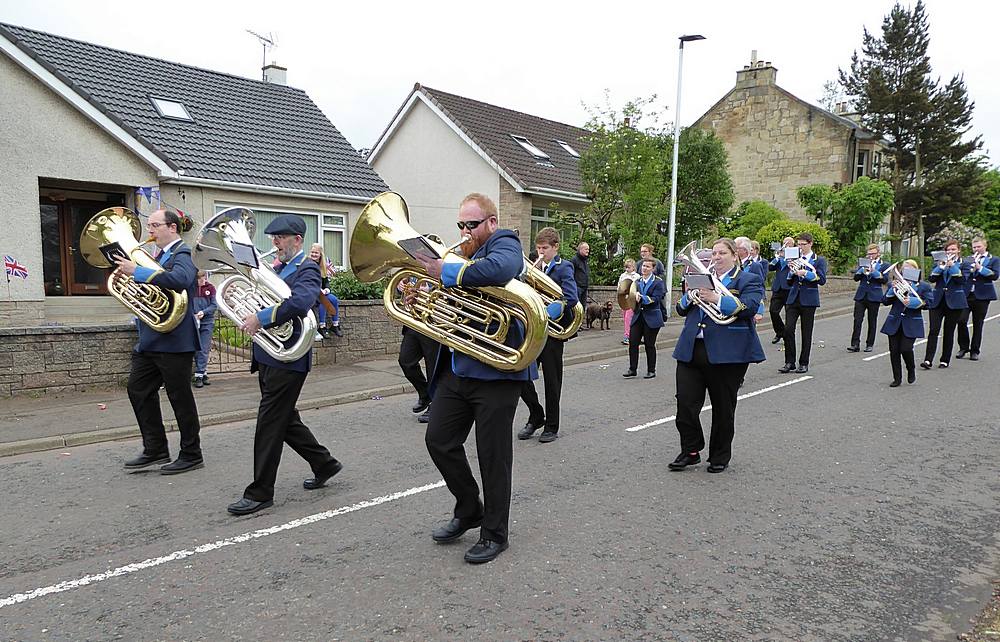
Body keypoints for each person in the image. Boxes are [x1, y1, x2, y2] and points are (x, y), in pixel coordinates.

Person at [413, 193, 533, 564]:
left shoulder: (505, 242)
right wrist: (422, 292)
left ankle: (495, 533)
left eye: (472, 225)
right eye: (461, 225)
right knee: (439, 440)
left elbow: (500, 270)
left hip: (497, 372)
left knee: (493, 457)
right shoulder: (464, 255)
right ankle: (469, 508)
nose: (464, 232)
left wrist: (445, 272)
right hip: (460, 367)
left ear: (491, 223)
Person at [227, 214, 343, 516]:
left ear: (297, 240)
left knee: (269, 423)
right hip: (270, 356)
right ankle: (324, 463)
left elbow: (302, 301)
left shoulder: (307, 269)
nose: (274, 243)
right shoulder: (276, 268)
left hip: (289, 359)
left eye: (280, 237)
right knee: (285, 420)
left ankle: (260, 492)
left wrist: (261, 318)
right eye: (273, 238)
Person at [115, 209, 204, 475]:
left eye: (155, 225)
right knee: (138, 390)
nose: (149, 230)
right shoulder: (158, 256)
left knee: (180, 398)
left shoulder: (182, 254)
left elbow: (182, 280)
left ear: (172, 228)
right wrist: (129, 276)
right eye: (149, 225)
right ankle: (155, 448)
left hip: (175, 341)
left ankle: (192, 453)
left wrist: (138, 271)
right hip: (151, 340)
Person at [669, 238, 765, 473]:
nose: (716, 257)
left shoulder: (747, 279)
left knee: (723, 407)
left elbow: (750, 306)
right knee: (685, 404)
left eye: (722, 253)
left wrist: (718, 299)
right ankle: (691, 451)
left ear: (735, 255)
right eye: (714, 253)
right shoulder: (701, 278)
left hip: (728, 352)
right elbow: (680, 309)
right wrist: (689, 296)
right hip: (692, 348)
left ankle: (719, 455)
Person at [518, 226, 579, 443]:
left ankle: (552, 426)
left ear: (555, 247)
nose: (541, 252)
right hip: (533, 330)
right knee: (520, 373)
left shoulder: (565, 268)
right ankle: (536, 414)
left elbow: (572, 296)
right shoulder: (534, 268)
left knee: (552, 382)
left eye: (545, 248)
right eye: (538, 248)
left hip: (552, 333)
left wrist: (557, 306)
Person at [778, 233, 827, 375]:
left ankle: (803, 363)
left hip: (809, 299)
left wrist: (805, 273)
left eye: (803, 244)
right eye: (798, 244)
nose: (800, 247)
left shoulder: (818, 260)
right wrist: (792, 272)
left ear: (810, 244)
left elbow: (821, 279)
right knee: (788, 330)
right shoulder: (795, 258)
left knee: (806, 332)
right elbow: (789, 281)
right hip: (793, 298)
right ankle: (789, 362)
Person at [881, 259, 932, 387]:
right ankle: (897, 378)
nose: (905, 272)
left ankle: (911, 369)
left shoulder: (923, 286)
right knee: (894, 350)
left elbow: (929, 303)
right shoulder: (895, 283)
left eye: (909, 269)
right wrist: (892, 290)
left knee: (906, 348)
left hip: (912, 322)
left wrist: (915, 301)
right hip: (895, 320)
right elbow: (885, 301)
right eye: (904, 269)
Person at [921, 239, 969, 370]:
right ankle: (928, 359)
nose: (950, 252)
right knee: (933, 330)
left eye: (953, 249)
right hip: (938, 300)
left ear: (958, 250)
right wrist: (940, 267)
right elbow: (932, 278)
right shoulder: (938, 263)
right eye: (948, 250)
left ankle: (944, 360)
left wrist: (952, 266)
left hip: (955, 302)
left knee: (949, 331)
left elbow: (962, 280)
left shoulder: (964, 264)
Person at [623, 257, 666, 379]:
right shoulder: (637, 282)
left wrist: (642, 298)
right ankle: (632, 369)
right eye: (643, 266)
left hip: (652, 317)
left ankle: (651, 370)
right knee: (633, 343)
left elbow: (657, 298)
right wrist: (630, 297)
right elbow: (631, 297)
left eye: (647, 266)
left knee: (649, 344)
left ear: (653, 268)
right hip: (638, 316)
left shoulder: (658, 282)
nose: (644, 268)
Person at [956, 237, 998, 360]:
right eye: (974, 247)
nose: (976, 249)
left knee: (978, 323)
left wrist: (980, 268)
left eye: (979, 247)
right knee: (961, 320)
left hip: (983, 295)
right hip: (967, 294)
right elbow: (963, 275)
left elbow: (994, 275)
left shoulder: (993, 259)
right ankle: (963, 347)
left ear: (985, 246)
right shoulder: (968, 259)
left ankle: (975, 350)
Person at [848, 244, 886, 353]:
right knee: (857, 320)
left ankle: (869, 344)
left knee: (872, 321)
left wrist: (875, 273)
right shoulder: (863, 263)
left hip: (874, 295)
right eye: (868, 254)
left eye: (872, 254)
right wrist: (860, 271)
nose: (870, 256)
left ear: (878, 253)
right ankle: (855, 344)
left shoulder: (883, 265)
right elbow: (856, 278)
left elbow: (884, 280)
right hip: (861, 295)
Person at [307, 243, 342, 339]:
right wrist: (319, 290)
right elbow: (308, 281)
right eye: (312, 252)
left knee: (334, 299)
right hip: (311, 292)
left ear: (320, 254)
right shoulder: (307, 264)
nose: (314, 254)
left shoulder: (323, 266)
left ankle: (335, 325)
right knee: (323, 301)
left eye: (316, 253)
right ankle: (322, 326)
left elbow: (325, 281)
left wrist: (327, 289)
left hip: (321, 292)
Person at [767, 237, 795, 345]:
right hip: (778, 288)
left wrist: (789, 258)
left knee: (789, 314)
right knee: (773, 311)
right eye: (784, 243)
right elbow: (770, 267)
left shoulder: (795, 256)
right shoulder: (779, 257)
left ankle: (788, 335)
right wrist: (778, 257)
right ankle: (780, 332)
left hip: (789, 288)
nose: (786, 246)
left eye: (788, 244)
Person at [192, 270, 217, 388]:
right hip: (194, 320)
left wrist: (204, 312)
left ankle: (199, 374)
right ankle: (202, 372)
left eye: (204, 277)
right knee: (196, 348)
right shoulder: (191, 288)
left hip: (207, 321)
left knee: (204, 348)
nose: (203, 280)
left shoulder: (210, 288)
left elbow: (213, 305)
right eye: (200, 278)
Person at [618, 258, 639, 345]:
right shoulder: (623, 276)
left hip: (632, 299)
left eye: (629, 267)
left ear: (633, 267)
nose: (627, 269)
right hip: (624, 299)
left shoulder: (637, 276)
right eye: (626, 267)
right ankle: (629, 335)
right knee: (625, 317)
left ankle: (628, 336)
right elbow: (619, 286)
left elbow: (638, 287)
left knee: (628, 317)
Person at [570, 241, 590, 306]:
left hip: (584, 288)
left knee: (583, 306)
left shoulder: (585, 260)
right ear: (580, 249)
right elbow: (570, 274)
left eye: (588, 249)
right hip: (577, 288)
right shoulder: (574, 260)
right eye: (586, 249)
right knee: (577, 306)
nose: (588, 251)